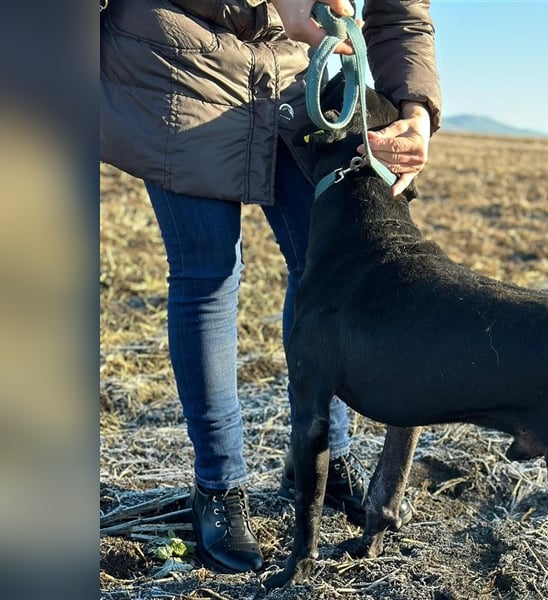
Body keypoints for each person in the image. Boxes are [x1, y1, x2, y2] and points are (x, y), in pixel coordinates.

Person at [100, 0, 440, 574]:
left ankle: (323, 461)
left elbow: (401, 13)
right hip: (178, 55)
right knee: (208, 273)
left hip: (293, 73)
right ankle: (218, 485)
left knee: (324, 271)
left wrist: (417, 109)